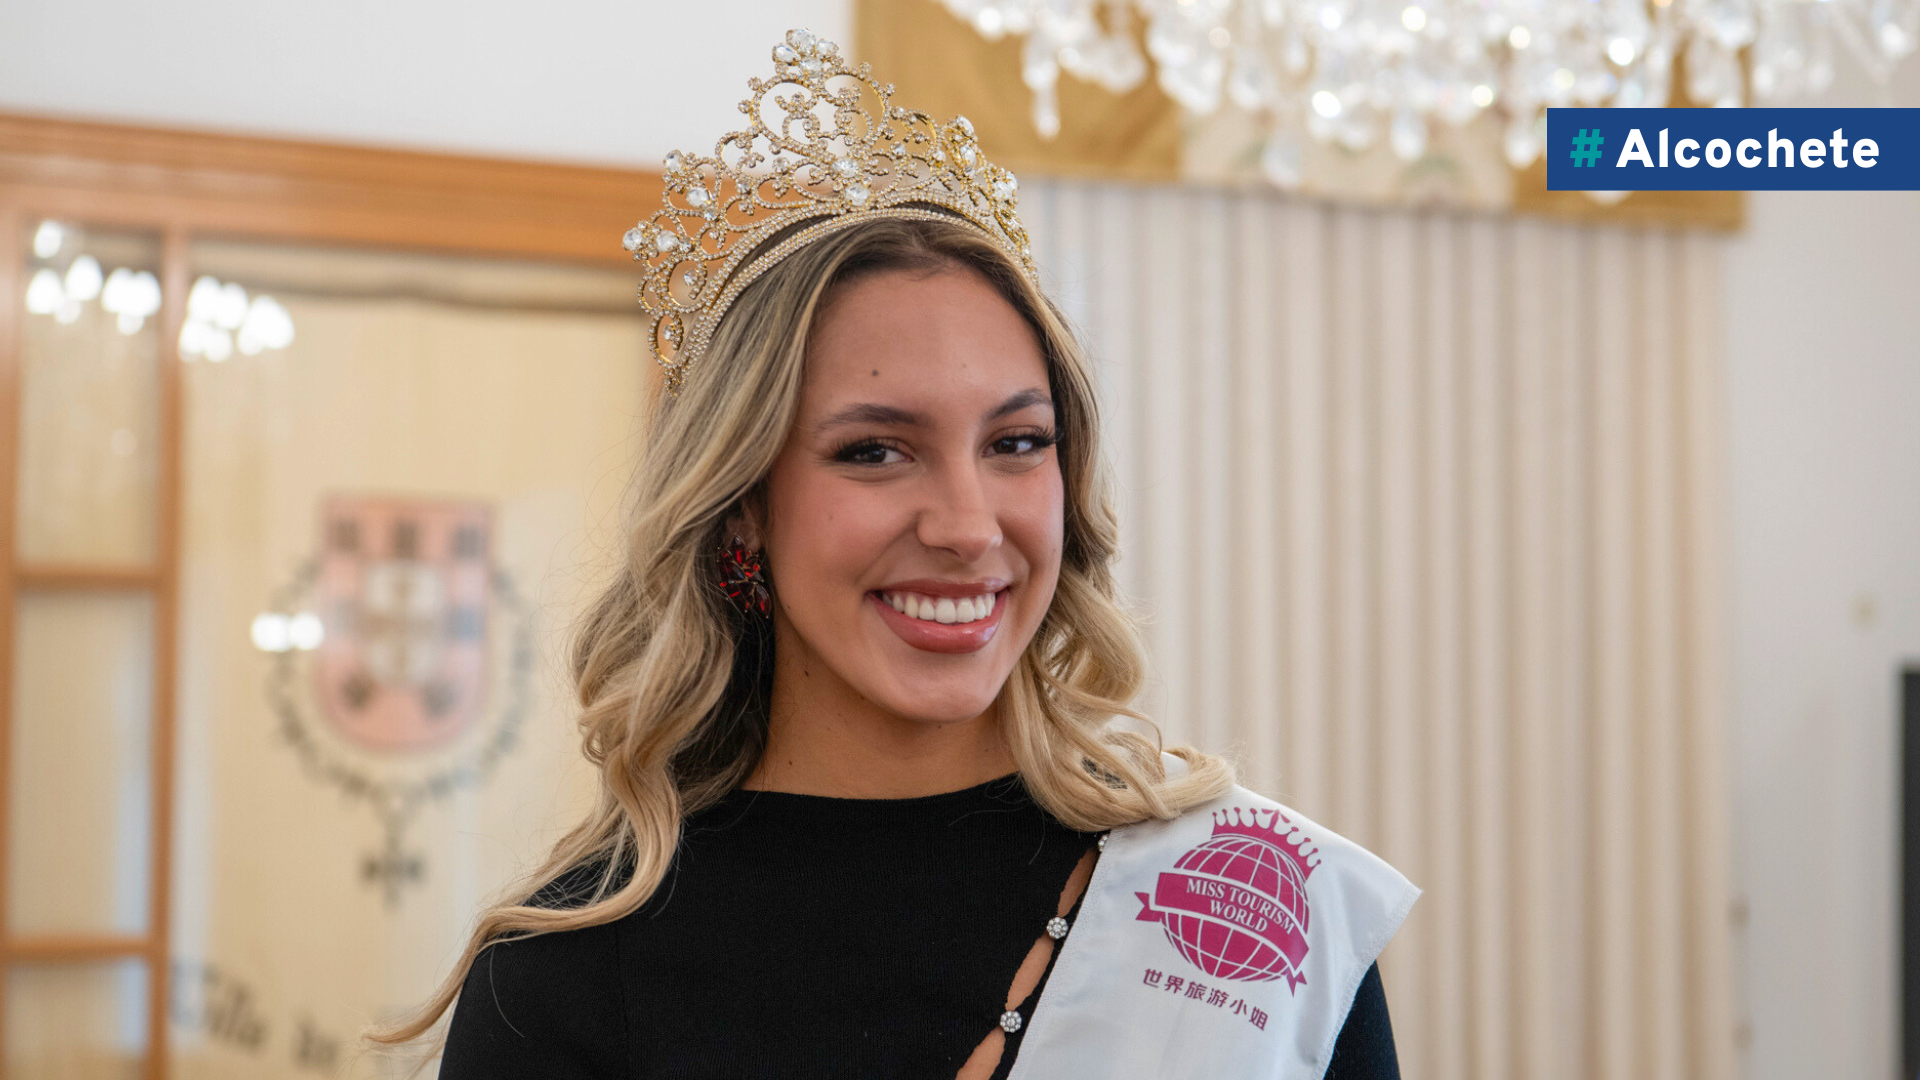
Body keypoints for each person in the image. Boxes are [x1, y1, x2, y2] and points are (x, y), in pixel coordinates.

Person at [375, 29, 1417, 1080]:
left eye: (1016, 443)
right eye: (874, 451)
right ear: (741, 507)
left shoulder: (1257, 920)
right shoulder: (569, 978)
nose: (968, 526)